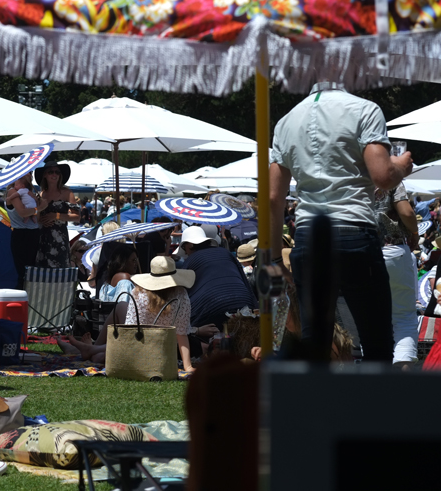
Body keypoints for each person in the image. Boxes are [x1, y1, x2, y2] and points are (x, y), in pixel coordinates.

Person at [269, 82, 413, 361]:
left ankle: (317, 404)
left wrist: (275, 259)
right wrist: (401, 167)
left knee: (315, 342)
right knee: (376, 341)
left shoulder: (286, 121)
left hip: (309, 237)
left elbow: (274, 198)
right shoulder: (365, 110)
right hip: (354, 232)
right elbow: (383, 175)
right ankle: (374, 404)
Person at [126, 256, 199, 373]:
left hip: (139, 353)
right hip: (166, 356)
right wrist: (187, 366)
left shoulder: (137, 293)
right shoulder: (181, 294)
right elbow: (182, 334)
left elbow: (131, 329)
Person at [374, 182, 419, 368]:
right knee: (404, 317)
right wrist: (415, 231)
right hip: (393, 251)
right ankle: (402, 378)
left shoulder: (350, 171)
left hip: (360, 252)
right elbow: (407, 213)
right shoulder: (388, 177)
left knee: (368, 318)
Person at [178, 226, 258, 330]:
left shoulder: (190, 261)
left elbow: (183, 295)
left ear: (190, 245)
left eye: (184, 249)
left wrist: (191, 330)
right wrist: (255, 309)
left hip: (209, 308)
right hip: (244, 304)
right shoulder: (226, 253)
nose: (185, 253)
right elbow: (245, 283)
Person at [34, 161, 79, 268]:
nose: (54, 175)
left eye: (57, 172)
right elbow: (36, 218)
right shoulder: (40, 194)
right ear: (45, 175)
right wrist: (40, 215)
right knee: (43, 273)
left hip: (60, 239)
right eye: (51, 172)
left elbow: (77, 217)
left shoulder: (67, 193)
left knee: (59, 272)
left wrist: (56, 216)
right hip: (42, 238)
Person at [5, 173, 46, 288]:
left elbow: (36, 218)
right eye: (26, 173)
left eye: (30, 173)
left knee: (32, 269)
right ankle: (22, 298)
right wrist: (39, 208)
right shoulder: (13, 192)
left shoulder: (30, 192)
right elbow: (22, 212)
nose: (29, 175)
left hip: (34, 232)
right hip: (21, 233)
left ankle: (31, 298)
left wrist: (36, 205)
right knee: (23, 271)